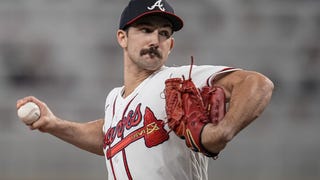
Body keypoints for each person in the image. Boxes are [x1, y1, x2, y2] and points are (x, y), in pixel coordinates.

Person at [16, 0, 274, 179]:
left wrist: (222, 131)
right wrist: (53, 124)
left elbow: (258, 84)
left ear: (170, 45)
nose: (155, 40)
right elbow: (109, 136)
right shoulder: (114, 99)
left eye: (164, 33)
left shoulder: (178, 79)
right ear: (122, 38)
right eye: (145, 30)